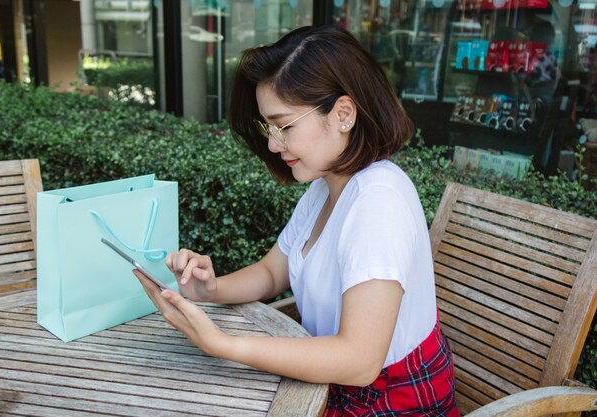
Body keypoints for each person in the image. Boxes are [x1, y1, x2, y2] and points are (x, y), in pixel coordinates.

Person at [135, 25, 459, 416]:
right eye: (268, 128)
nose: (273, 144)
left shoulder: (379, 202)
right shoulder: (327, 186)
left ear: (343, 113)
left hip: (389, 404)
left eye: (284, 125)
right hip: (332, 388)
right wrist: (209, 289)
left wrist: (222, 344)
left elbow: (360, 361)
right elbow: (274, 272)